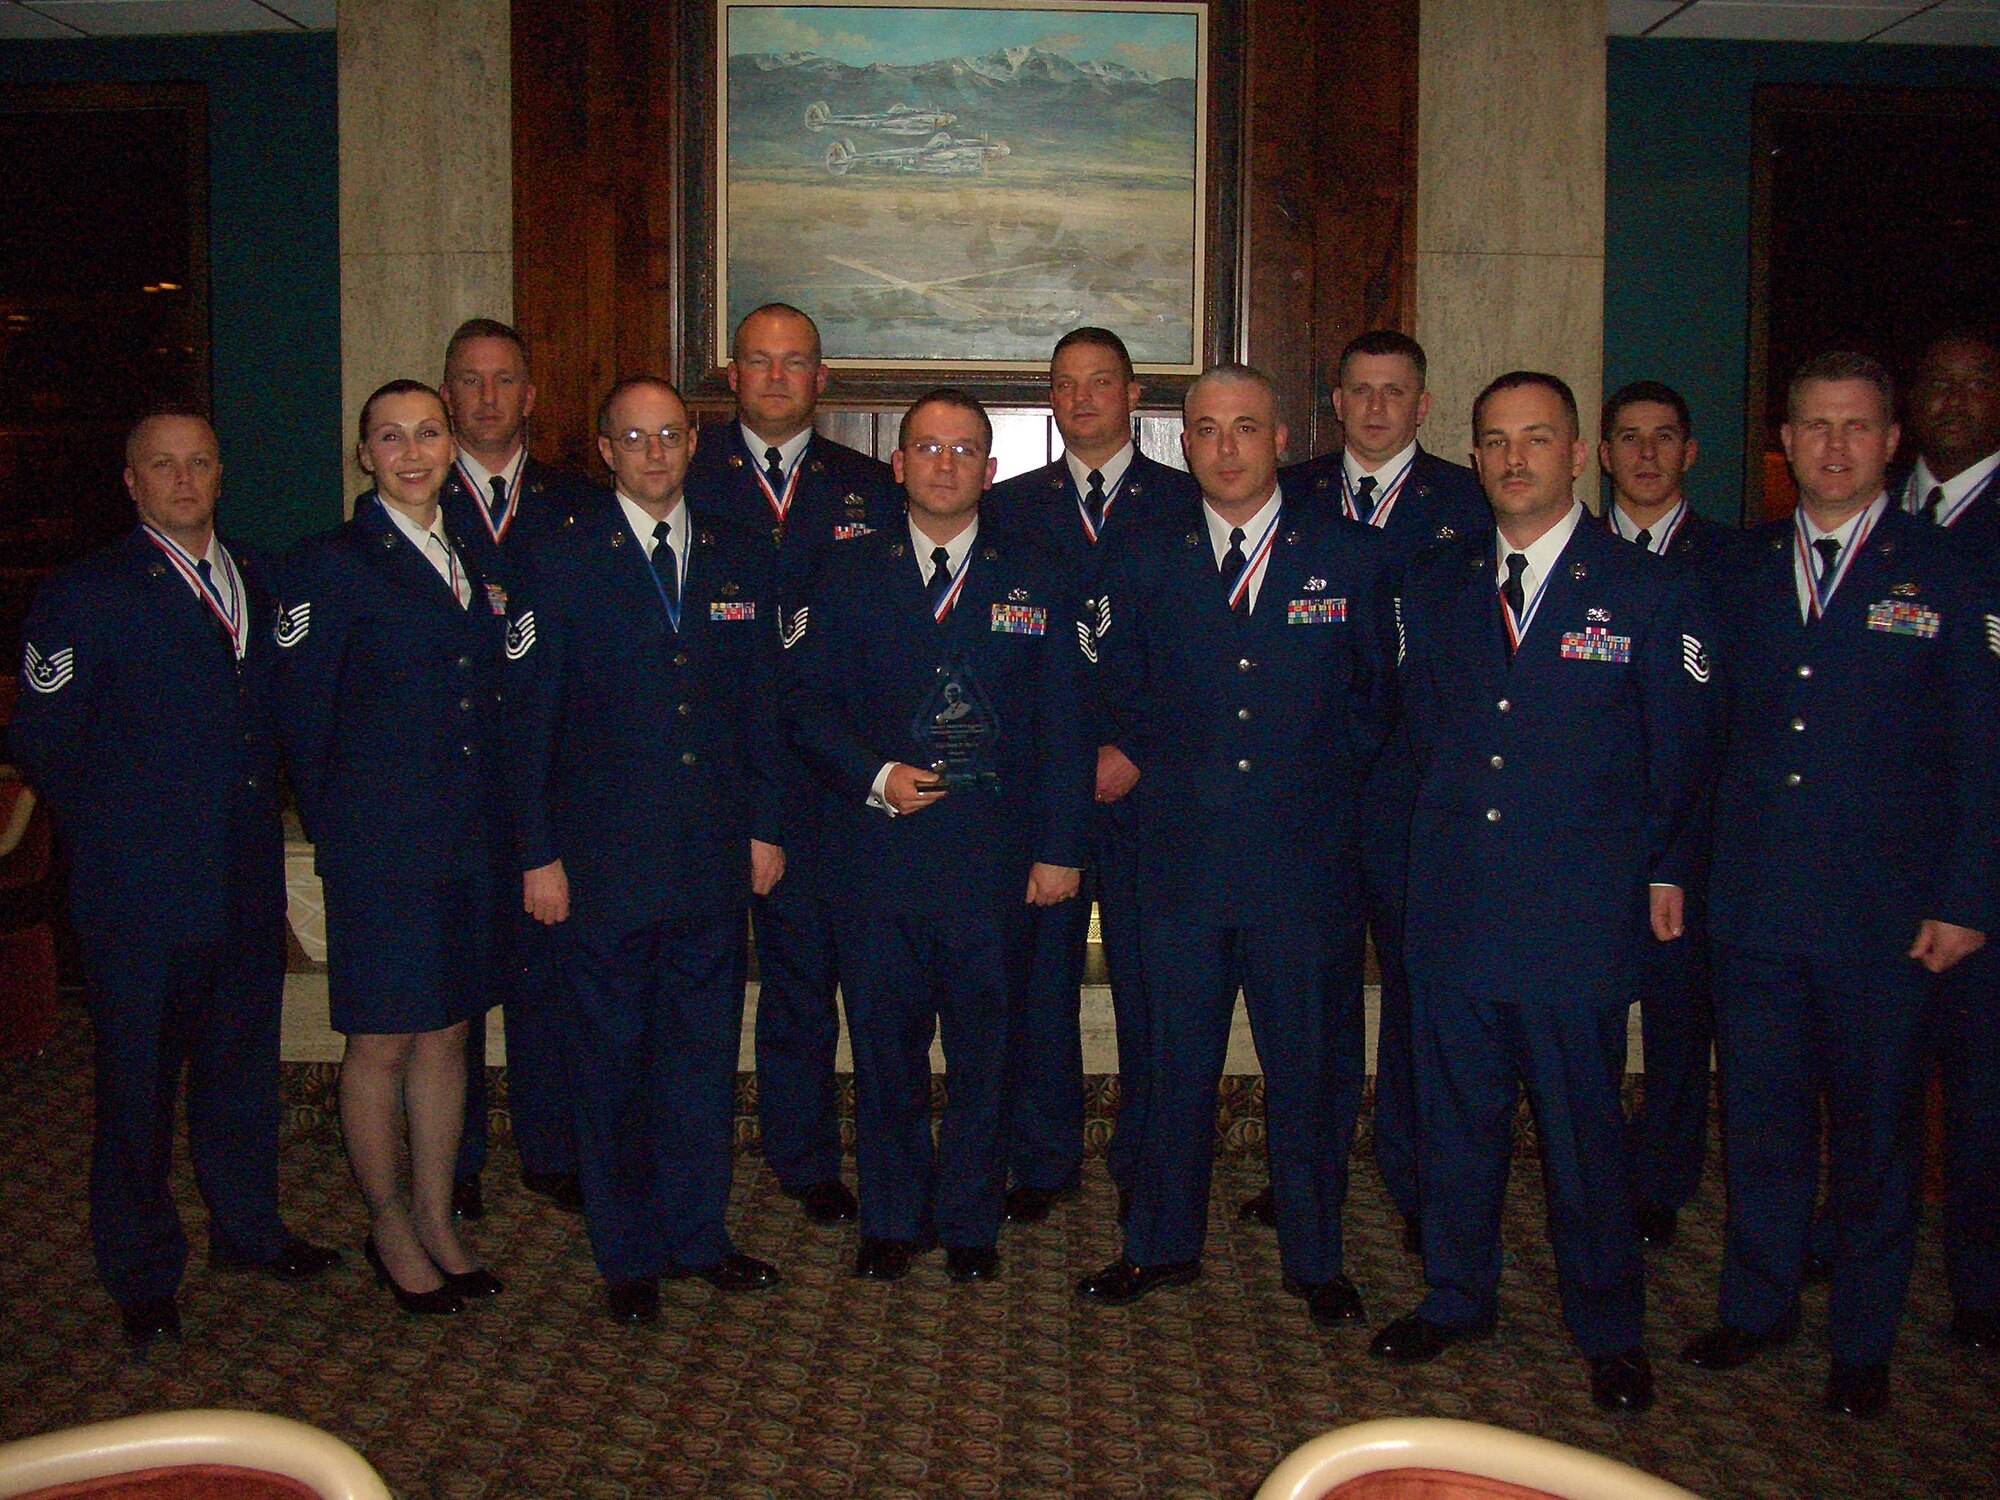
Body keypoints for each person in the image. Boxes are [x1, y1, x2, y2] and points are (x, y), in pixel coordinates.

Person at [1369, 371, 1717, 1415]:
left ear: (1576, 456)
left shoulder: (1646, 586)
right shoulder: (1432, 584)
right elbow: (1422, 740)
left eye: (1535, 440)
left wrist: (1658, 872)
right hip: (1456, 903)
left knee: (1582, 1143)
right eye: (1493, 442)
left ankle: (1608, 1327)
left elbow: (1681, 756)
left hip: (1575, 917)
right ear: (1472, 459)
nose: (1512, 459)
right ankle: (1456, 1295)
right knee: (1455, 1126)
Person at [1681, 352, 1999, 1417]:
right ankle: (1756, 1305)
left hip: (1886, 919)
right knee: (1761, 1127)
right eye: (1811, 426)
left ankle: (1861, 1341)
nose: (1830, 447)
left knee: (1875, 1140)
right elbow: (1702, 742)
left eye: (1854, 428)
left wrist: (1965, 898)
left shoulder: (1950, 571)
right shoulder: (1737, 568)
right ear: (1782, 439)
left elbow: (1982, 748)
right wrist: (1682, 873)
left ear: (1889, 440)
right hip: (1756, 905)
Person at [12, 410, 340, 1348]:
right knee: (137, 1087)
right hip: (140, 891)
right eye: (162, 465)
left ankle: (248, 1230)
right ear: (130, 481)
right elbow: (44, 738)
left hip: (241, 878)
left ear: (221, 474)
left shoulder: (258, 579)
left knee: (240, 1069)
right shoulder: (86, 593)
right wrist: (122, 834)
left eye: (198, 462)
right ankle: (142, 1269)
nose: (183, 479)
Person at [1077, 364, 1392, 1327]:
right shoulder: (1142, 553)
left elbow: (1379, 706)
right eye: (1206, 430)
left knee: (1310, 1074)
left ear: (1282, 438)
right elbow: (1110, 687)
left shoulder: (1354, 556)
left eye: (1244, 428)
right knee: (1170, 1068)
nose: (1224, 447)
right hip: (1176, 863)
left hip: (1306, 870)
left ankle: (1316, 1257)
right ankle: (1159, 1245)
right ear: (1185, 441)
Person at [786, 387, 1091, 1284]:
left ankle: (969, 1222)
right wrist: (873, 775)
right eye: (928, 449)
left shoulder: (1039, 572)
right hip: (877, 855)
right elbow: (803, 704)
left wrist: (1061, 848)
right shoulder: (846, 573)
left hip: (997, 862)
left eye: (964, 451)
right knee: (883, 1044)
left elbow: (1069, 723)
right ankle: (891, 1217)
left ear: (990, 471)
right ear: (898, 464)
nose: (945, 465)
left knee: (988, 1046)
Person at [505, 376, 785, 1324]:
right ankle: (626, 1252)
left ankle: (697, 1235)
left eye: (670, 435)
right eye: (635, 438)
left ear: (692, 446)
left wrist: (765, 827)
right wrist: (537, 854)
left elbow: (762, 713)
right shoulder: (559, 559)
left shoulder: (743, 554)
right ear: (605, 450)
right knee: (611, 1058)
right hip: (601, 865)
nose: (656, 453)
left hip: (711, 857)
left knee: (702, 1056)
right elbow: (528, 721)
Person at [1238, 331, 1489, 1246]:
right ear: (1333, 402)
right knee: (1320, 1007)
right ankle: (1309, 1179)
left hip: (1421, 792)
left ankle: (1420, 1180)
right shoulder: (1285, 491)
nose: (1377, 407)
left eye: (1397, 392)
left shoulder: (1469, 504)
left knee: (1420, 991)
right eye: (1360, 391)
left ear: (1424, 407)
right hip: (1301, 797)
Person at [273, 381, 506, 1316]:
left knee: (451, 1033)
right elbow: (302, 717)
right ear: (364, 456)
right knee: (379, 1041)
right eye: (389, 437)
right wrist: (349, 833)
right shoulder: (329, 564)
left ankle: (437, 1213)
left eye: (428, 433)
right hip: (383, 848)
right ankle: (388, 1224)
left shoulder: (475, 552)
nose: (412, 451)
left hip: (469, 843)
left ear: (452, 445)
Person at [684, 303, 900, 1228]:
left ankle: (863, 1158)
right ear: (731, 376)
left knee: (854, 977)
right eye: (758, 361)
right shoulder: (683, 471)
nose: (776, 377)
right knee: (784, 990)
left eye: (795, 362)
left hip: (846, 779)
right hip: (724, 776)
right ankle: (798, 1152)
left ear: (825, 378)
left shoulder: (869, 483)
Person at [982, 327, 1199, 1227]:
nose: (1081, 400)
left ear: (1134, 395)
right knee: (1040, 981)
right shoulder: (1011, 506)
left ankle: (1151, 1150)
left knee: (1154, 977)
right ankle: (1044, 1154)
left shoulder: (1192, 502)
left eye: (1099, 383)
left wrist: (1136, 746)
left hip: (1156, 783)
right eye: (1065, 385)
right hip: (1044, 788)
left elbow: (1207, 651)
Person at [436, 317, 602, 1221]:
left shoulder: (577, 505)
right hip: (454, 789)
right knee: (456, 983)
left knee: (549, 982)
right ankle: (451, 1159)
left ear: (531, 397)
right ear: (448, 393)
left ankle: (551, 1148)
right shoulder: (412, 500)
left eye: (505, 380)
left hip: (553, 787)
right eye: (470, 381)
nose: (488, 398)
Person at [1597, 378, 1743, 1249]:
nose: (1646, 454)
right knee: (1591, 1019)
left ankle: (1663, 1180)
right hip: (1586, 839)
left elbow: (1729, 720)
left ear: (1689, 452)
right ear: (1602, 454)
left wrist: (1679, 855)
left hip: (1693, 838)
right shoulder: (1565, 555)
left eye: (1663, 438)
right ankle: (1596, 1170)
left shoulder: (1738, 564)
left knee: (1681, 1022)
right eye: (1628, 437)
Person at [1896, 329, 2000, 1352]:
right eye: (1939, 380)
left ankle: (1978, 1288)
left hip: (1975, 866)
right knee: (1873, 1085)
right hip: (1874, 872)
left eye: (1977, 382)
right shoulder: (1871, 526)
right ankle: (1848, 1245)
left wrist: (1973, 888)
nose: (1956, 399)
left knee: (1978, 1102)